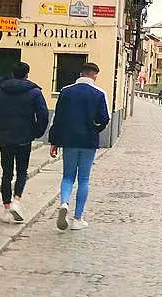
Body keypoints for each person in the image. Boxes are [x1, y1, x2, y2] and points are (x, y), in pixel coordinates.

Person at [49, 62, 109, 231]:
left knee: (68, 176)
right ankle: (77, 218)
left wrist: (54, 141)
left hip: (69, 140)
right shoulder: (99, 94)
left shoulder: (66, 92)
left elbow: (58, 118)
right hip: (88, 141)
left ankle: (64, 203)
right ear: (94, 75)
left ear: (81, 74)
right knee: (84, 179)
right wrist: (95, 129)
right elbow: (104, 119)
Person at [0, 62, 49, 224]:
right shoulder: (34, 92)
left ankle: (7, 209)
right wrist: (36, 132)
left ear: (13, 74)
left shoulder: (0, 92)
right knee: (22, 171)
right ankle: (17, 200)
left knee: (6, 173)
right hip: (24, 138)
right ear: (27, 74)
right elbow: (43, 115)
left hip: (4, 138)